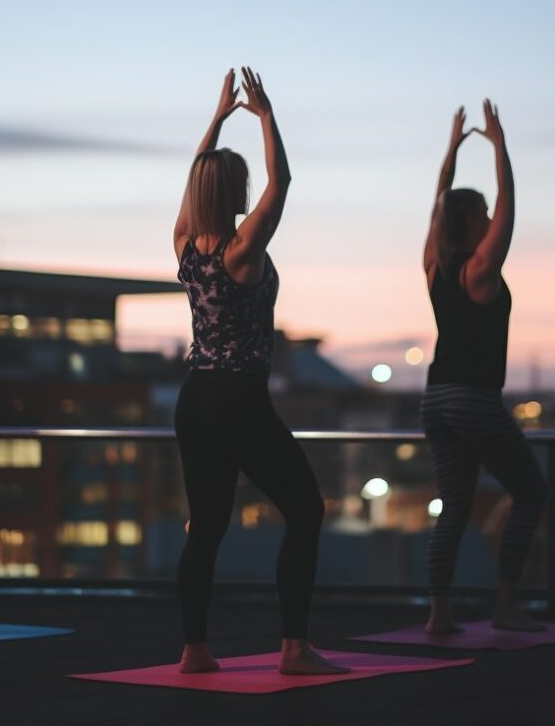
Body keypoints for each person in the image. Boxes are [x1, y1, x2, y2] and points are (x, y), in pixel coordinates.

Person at [171, 68, 346, 675]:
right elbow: (285, 181)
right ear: (237, 192)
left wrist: (218, 119)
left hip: (193, 398)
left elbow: (198, 179)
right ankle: (295, 648)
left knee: (209, 525)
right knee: (305, 510)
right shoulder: (241, 250)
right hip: (237, 398)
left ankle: (195, 650)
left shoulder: (185, 244)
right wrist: (265, 115)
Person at [421, 100, 547, 634]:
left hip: (435, 400)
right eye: (484, 217)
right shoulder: (478, 270)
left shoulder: (433, 265)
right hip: (471, 398)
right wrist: (499, 147)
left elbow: (436, 205)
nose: (492, 219)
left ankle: (439, 615)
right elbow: (511, 208)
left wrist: (452, 150)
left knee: (454, 508)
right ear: (472, 224)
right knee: (532, 492)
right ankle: (506, 605)